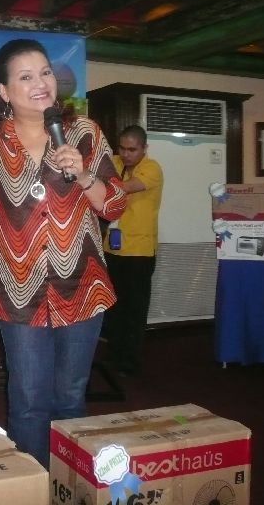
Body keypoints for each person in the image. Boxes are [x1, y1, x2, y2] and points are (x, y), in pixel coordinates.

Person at [0, 39, 126, 468]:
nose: (41, 83)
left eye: (45, 72)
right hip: (18, 289)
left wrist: (83, 175)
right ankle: (32, 487)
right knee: (28, 400)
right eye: (26, 76)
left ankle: (69, 485)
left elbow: (115, 205)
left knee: (70, 397)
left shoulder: (83, 132)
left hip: (82, 285)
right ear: (4, 90)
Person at [102, 125, 163, 376]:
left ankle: (130, 362)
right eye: (122, 148)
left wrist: (96, 182)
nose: (126, 154)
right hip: (112, 248)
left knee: (134, 309)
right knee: (113, 307)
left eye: (132, 149)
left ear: (144, 148)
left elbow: (124, 188)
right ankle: (114, 354)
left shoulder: (152, 168)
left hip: (139, 251)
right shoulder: (114, 161)